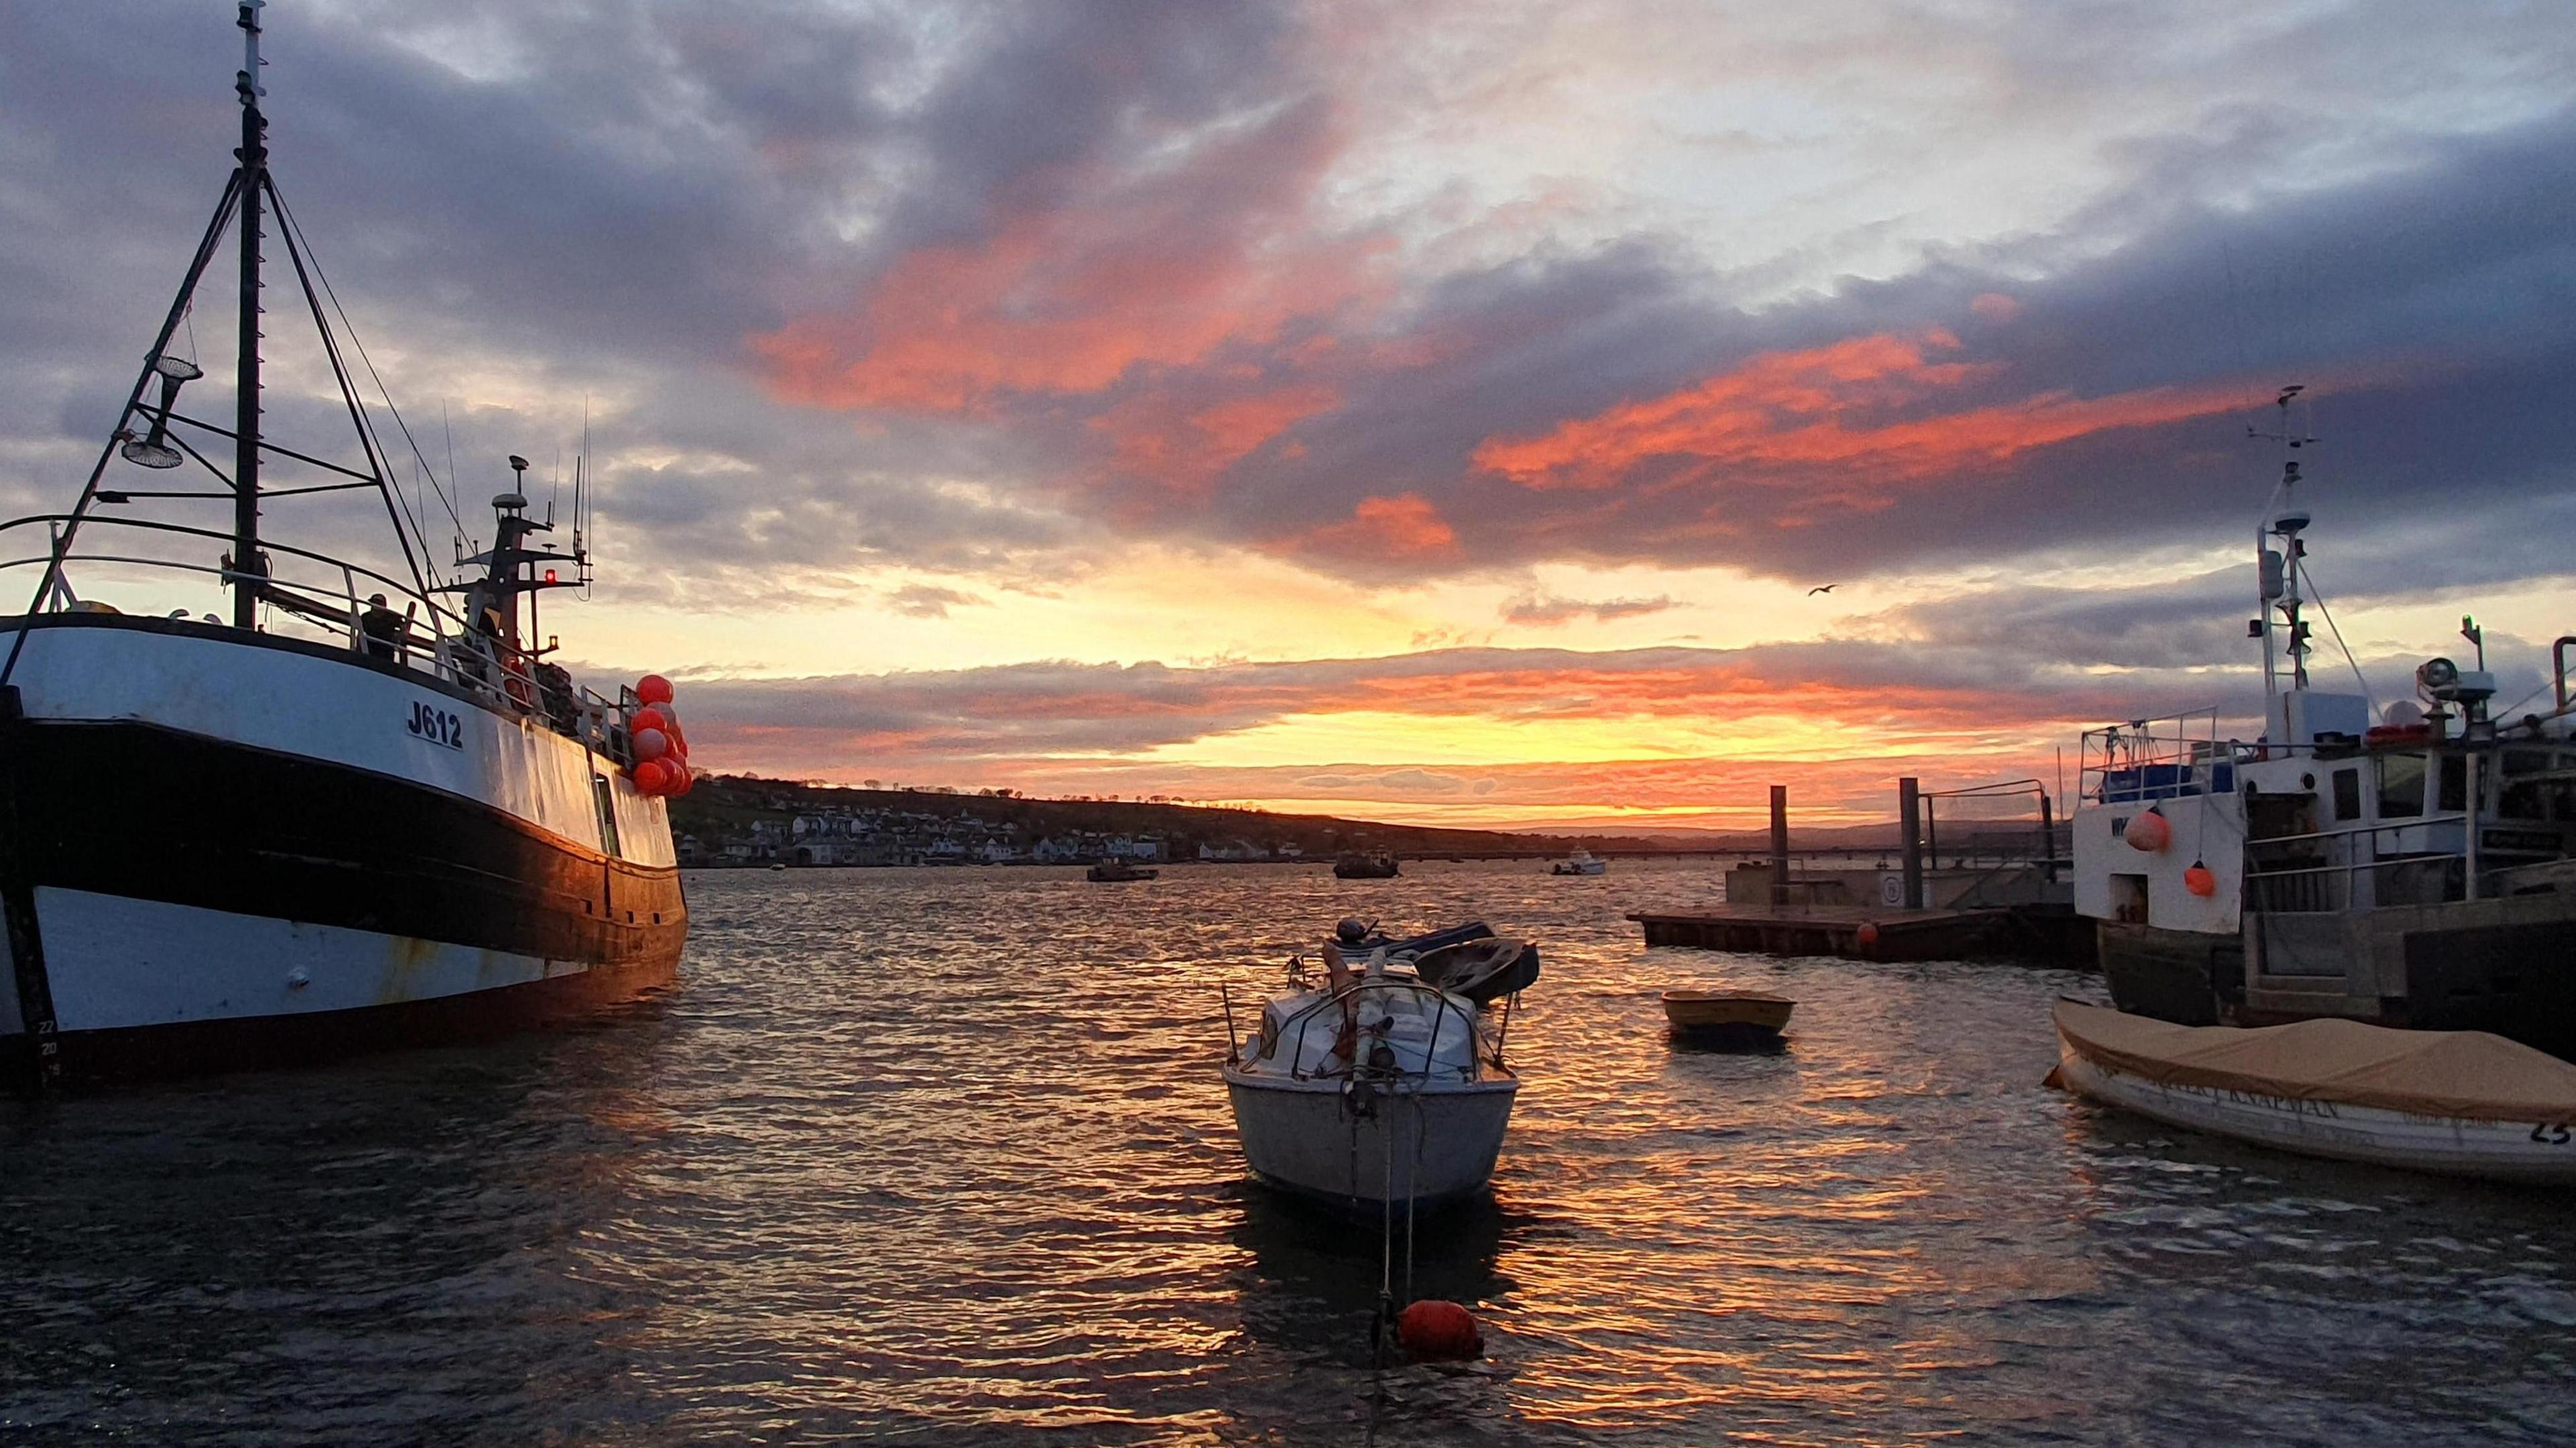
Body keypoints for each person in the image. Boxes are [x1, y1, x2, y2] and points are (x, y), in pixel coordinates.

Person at [359, 593, 406, 662]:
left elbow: (403, 626)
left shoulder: (392, 617)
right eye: (374, 602)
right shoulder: (365, 617)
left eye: (379, 602)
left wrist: (398, 637)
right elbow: (360, 632)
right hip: (369, 648)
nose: (376, 604)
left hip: (386, 651)